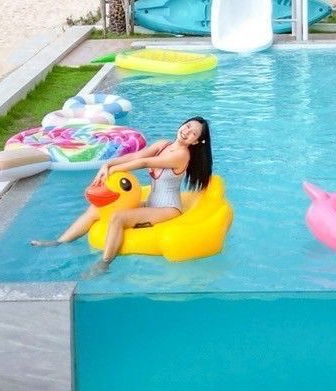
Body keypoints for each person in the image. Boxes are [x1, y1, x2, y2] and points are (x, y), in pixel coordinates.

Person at [31, 116, 213, 276]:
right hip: (151, 203)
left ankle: (104, 263)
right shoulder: (163, 144)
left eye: (193, 133)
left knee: (118, 217)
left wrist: (111, 170)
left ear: (196, 142)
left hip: (168, 209)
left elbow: (144, 162)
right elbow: (137, 154)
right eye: (188, 126)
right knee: (97, 209)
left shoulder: (182, 155)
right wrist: (108, 164)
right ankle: (59, 242)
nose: (187, 132)